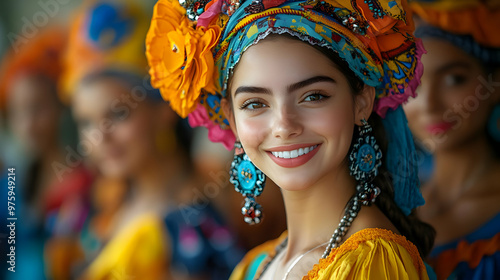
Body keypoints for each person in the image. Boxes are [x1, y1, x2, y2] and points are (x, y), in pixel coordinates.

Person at [145, 0, 436, 279]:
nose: (284, 126)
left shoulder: (372, 262)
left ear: (361, 101)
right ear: (231, 119)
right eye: (255, 103)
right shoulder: (255, 265)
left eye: (313, 96)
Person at [66, 1, 245, 279]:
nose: (100, 137)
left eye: (118, 114)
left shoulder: (196, 223)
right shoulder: (98, 211)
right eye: (86, 123)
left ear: (163, 110)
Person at [404, 1, 500, 279]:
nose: (429, 105)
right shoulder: (393, 200)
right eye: (413, 83)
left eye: (454, 79)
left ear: (493, 84)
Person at [0, 26, 93, 280]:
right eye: (18, 112)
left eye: (38, 107)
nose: (28, 124)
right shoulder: (11, 184)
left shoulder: (86, 184)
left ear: (60, 106)